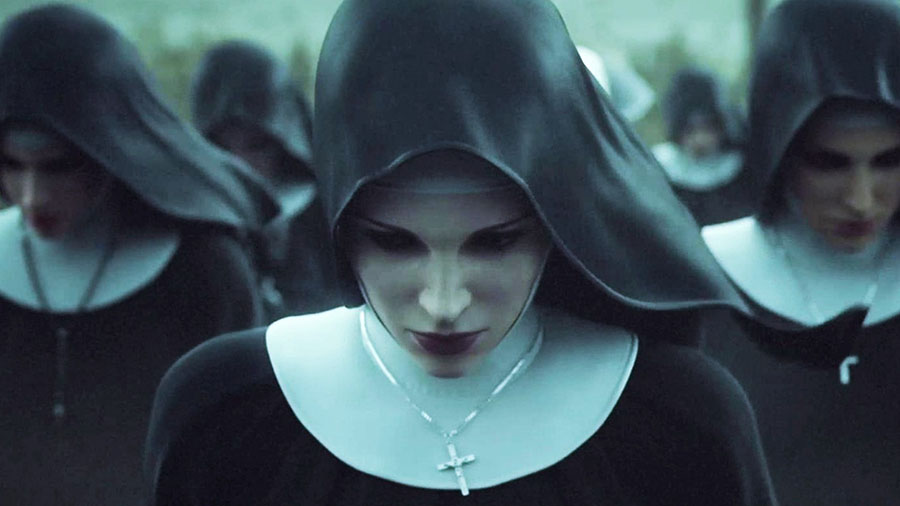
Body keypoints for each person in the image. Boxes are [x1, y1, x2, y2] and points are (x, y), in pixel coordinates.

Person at [145, 0, 776, 504]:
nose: (443, 304)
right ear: (341, 223)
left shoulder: (681, 424)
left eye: (494, 242)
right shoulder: (226, 417)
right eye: (394, 241)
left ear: (559, 223)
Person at [0, 5, 276, 504]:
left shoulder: (204, 272)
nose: (32, 196)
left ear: (110, 147)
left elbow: (242, 449)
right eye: (12, 165)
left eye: (58, 166)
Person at [701, 0, 900, 503]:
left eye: (889, 161)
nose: (861, 199)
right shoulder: (699, 281)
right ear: (779, 148)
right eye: (829, 163)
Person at [191, 40, 338, 319]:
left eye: (257, 146)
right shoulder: (197, 229)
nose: (241, 165)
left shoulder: (328, 212)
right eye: (222, 149)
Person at [652, 67, 753, 225]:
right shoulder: (661, 170)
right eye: (690, 130)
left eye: (708, 128)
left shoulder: (740, 168)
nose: (700, 139)